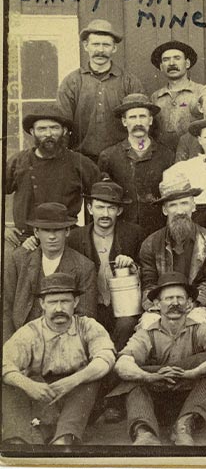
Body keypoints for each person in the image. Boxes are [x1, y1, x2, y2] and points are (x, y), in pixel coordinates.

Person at [110, 272, 206, 446]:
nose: (174, 303)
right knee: (131, 377)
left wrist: (193, 372)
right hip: (157, 403)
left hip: (192, 399)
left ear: (190, 304)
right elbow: (122, 363)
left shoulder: (200, 329)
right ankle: (145, 432)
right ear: (156, 304)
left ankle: (183, 426)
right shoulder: (146, 334)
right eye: (168, 299)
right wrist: (150, 376)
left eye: (180, 298)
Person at [2, 273, 116, 445]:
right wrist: (28, 385)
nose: (59, 308)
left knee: (91, 378)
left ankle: (64, 439)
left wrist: (74, 380)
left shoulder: (87, 326)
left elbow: (106, 358)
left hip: (79, 400)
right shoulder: (30, 332)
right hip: (43, 394)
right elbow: (4, 362)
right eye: (52, 302)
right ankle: (18, 441)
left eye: (65, 301)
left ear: (75, 303)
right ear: (42, 304)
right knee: (10, 382)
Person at [4, 104, 100, 249]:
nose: (48, 134)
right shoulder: (18, 161)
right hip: (26, 241)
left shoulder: (79, 163)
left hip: (67, 240)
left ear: (64, 130)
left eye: (54, 128)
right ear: (32, 132)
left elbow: (103, 194)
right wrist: (2, 227)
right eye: (42, 129)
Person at [66, 179, 146, 349]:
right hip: (90, 305)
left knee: (126, 325)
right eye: (100, 207)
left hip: (123, 308)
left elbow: (147, 270)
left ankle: (115, 367)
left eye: (111, 208)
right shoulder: (74, 237)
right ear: (89, 208)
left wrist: (133, 266)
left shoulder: (134, 234)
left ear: (119, 210)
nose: (105, 213)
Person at [3, 203, 98, 342]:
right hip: (22, 339)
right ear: (36, 232)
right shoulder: (19, 260)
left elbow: (85, 317)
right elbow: (5, 309)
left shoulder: (84, 266)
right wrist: (10, 346)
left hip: (64, 342)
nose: (52, 236)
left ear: (67, 231)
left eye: (57, 230)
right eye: (46, 230)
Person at [138, 173, 206, 323]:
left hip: (195, 305)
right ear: (164, 210)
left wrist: (195, 301)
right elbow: (149, 282)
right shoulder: (150, 244)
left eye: (184, 203)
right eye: (173, 205)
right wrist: (158, 304)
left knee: (197, 326)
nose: (180, 211)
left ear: (193, 206)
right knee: (148, 326)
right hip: (161, 305)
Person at [57, 19, 144, 160]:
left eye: (106, 45)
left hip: (122, 158)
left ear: (114, 48)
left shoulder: (129, 82)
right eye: (96, 44)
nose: (100, 50)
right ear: (86, 46)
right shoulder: (72, 82)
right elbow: (62, 125)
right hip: (81, 158)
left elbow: (141, 122)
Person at [99, 93, 175, 235]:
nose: (138, 122)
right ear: (124, 121)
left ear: (150, 120)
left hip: (157, 230)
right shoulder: (109, 156)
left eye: (142, 116)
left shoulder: (167, 156)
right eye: (132, 117)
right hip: (122, 230)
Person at [149, 40, 202, 151]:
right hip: (163, 156)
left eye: (177, 58)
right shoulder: (155, 97)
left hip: (194, 154)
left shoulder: (201, 92)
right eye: (166, 60)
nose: (172, 63)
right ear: (161, 66)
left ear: (187, 63)